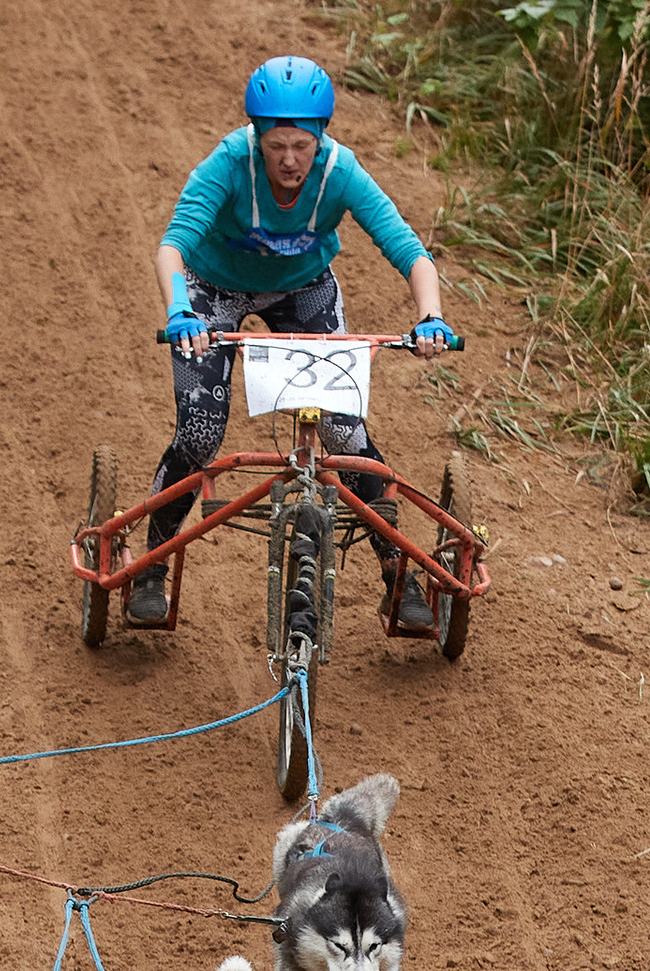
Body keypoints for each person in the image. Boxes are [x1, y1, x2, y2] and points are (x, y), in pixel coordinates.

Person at [137, 55, 456, 627]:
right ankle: (150, 566)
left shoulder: (340, 171)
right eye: (276, 145)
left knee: (344, 434)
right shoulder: (229, 163)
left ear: (320, 139)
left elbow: (409, 249)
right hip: (212, 289)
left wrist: (430, 316)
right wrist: (180, 309)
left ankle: (397, 574)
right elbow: (173, 246)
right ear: (256, 137)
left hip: (302, 289)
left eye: (301, 146)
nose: (289, 159)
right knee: (201, 434)